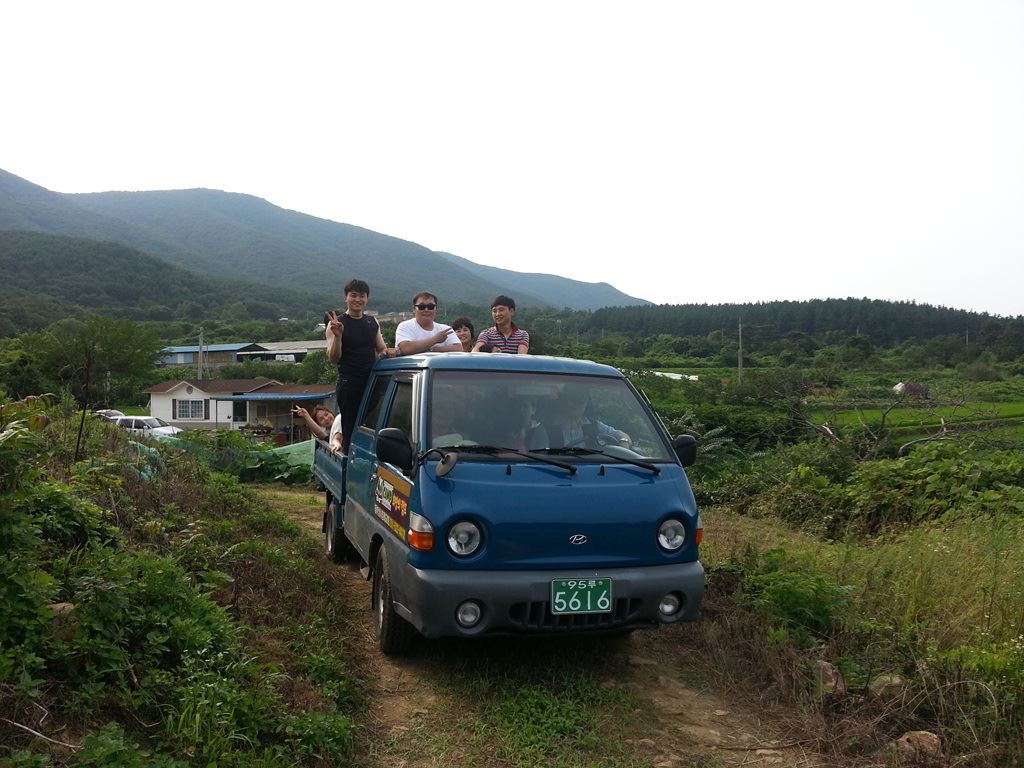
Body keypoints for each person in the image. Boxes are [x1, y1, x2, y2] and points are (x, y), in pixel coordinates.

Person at [326, 278, 390, 452]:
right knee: (351, 428)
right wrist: (338, 336)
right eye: (353, 295)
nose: (357, 299)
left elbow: (381, 349)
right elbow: (333, 358)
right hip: (349, 383)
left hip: (372, 381)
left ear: (367, 298)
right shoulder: (336, 323)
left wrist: (390, 352)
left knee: (371, 425)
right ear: (345, 297)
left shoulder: (372, 322)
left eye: (362, 296)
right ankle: (349, 460)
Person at [549, 389, 630, 449]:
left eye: (581, 402)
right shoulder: (548, 425)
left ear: (586, 404)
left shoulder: (593, 425)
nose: (576, 405)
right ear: (563, 400)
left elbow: (620, 434)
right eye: (572, 400)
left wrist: (624, 443)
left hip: (592, 465)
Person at [395, 292, 463, 355]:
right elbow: (406, 348)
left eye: (431, 307)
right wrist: (435, 340)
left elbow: (458, 349)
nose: (426, 310)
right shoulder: (405, 326)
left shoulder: (445, 329)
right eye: (421, 307)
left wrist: (432, 349)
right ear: (414, 309)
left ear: (436, 309)